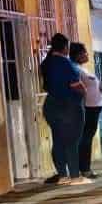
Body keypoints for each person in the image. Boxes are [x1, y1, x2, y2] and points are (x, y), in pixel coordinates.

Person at [39, 33, 86, 185]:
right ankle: (75, 176)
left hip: (51, 105)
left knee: (58, 140)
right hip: (68, 105)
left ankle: (63, 176)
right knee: (72, 141)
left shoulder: (46, 63)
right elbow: (75, 84)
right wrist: (84, 91)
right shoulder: (65, 63)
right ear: (65, 47)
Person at [70, 42, 102, 180]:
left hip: (93, 107)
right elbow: (76, 87)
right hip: (88, 108)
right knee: (85, 139)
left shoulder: (82, 69)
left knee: (87, 138)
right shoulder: (75, 69)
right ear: (77, 55)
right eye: (84, 52)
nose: (87, 54)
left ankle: (84, 168)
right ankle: (84, 169)